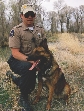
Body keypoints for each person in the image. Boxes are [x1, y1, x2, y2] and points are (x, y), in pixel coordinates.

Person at [7, 4, 46, 111]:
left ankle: (16, 79)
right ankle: (23, 98)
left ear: (35, 15)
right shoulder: (16, 31)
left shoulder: (40, 30)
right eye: (27, 14)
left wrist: (40, 61)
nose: (29, 16)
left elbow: (44, 49)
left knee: (31, 87)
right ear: (21, 16)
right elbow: (15, 53)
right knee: (27, 68)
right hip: (17, 61)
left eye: (32, 14)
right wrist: (32, 61)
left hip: (34, 61)